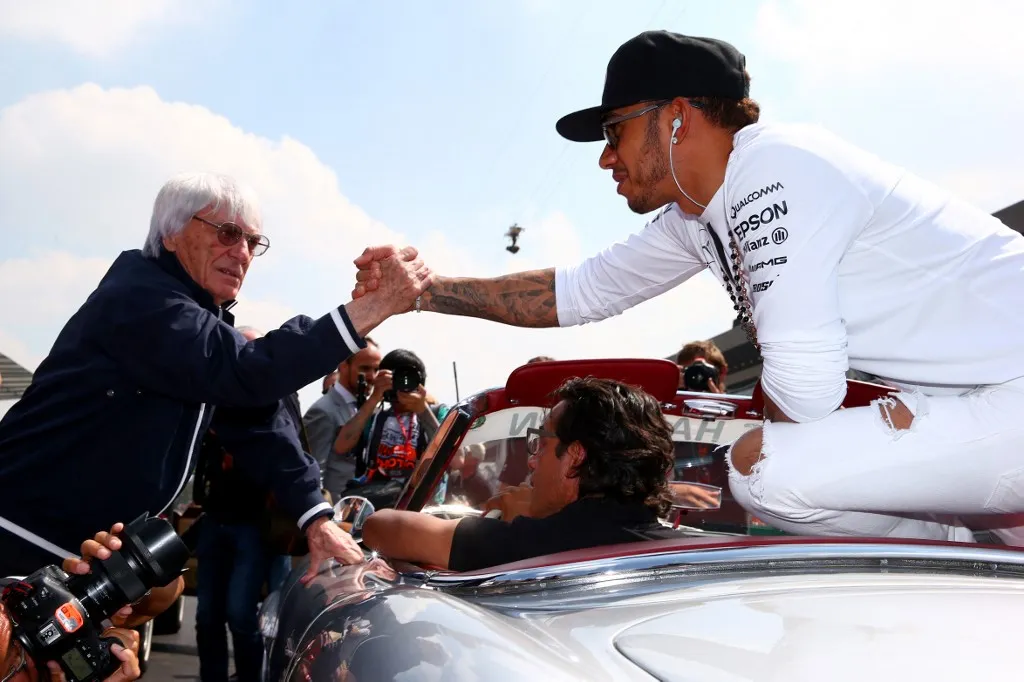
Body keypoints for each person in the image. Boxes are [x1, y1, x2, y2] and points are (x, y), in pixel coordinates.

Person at [353, 31, 1024, 544]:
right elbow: (580, 293)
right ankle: (967, 540)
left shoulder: (773, 170)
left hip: (1011, 396)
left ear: (677, 118)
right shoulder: (700, 217)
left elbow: (808, 394)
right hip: (986, 404)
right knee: (765, 467)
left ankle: (964, 543)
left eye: (616, 131)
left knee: (766, 469)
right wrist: (422, 289)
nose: (606, 157)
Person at [0, 172, 433, 578]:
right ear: (171, 234)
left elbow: (259, 421)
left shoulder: (195, 322)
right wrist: (372, 308)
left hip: (80, 555)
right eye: (227, 233)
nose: (242, 252)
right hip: (21, 537)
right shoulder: (141, 299)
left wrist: (315, 519)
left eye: (252, 241)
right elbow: (250, 373)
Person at [362, 377, 676, 571]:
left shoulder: (529, 542)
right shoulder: (687, 545)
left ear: (574, 458)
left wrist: (521, 520)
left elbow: (380, 527)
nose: (532, 461)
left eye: (541, 443)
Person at [0, 523, 170, 682]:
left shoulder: (17, 591)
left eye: (15, 627)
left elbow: (168, 593)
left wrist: (109, 568)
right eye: (14, 664)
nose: (28, 659)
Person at [347, 349, 439, 508]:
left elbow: (458, 459)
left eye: (408, 377)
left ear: (420, 381)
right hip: (376, 508)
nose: (402, 384)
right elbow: (342, 446)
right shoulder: (375, 417)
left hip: (423, 508)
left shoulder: (437, 413)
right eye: (396, 379)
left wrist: (423, 410)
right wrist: (375, 396)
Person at [303, 338, 383, 501]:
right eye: (365, 368)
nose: (372, 377)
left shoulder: (372, 409)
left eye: (376, 370)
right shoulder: (323, 410)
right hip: (337, 511)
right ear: (343, 365)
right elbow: (314, 473)